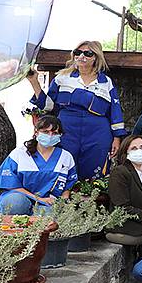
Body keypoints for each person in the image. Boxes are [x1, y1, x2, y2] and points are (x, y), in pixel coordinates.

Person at [26, 41, 127, 180]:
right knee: (65, 165)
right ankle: (63, 200)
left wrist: (117, 138)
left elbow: (115, 111)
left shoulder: (106, 82)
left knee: (95, 170)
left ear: (95, 57)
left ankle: (91, 200)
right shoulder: (62, 78)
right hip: (67, 129)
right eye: (78, 53)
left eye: (88, 53)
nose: (81, 56)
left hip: (98, 131)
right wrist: (34, 82)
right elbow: (48, 106)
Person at [0, 116, 77, 215]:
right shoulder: (19, 154)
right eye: (46, 132)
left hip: (48, 205)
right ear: (36, 132)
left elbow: (67, 187)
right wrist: (39, 199)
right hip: (20, 200)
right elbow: (10, 184)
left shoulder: (66, 157)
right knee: (15, 203)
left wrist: (62, 204)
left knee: (51, 216)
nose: (50, 136)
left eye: (54, 133)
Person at [106, 135, 142, 246]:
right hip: (127, 227)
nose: (139, 150)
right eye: (134, 148)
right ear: (126, 152)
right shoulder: (120, 172)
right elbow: (122, 208)